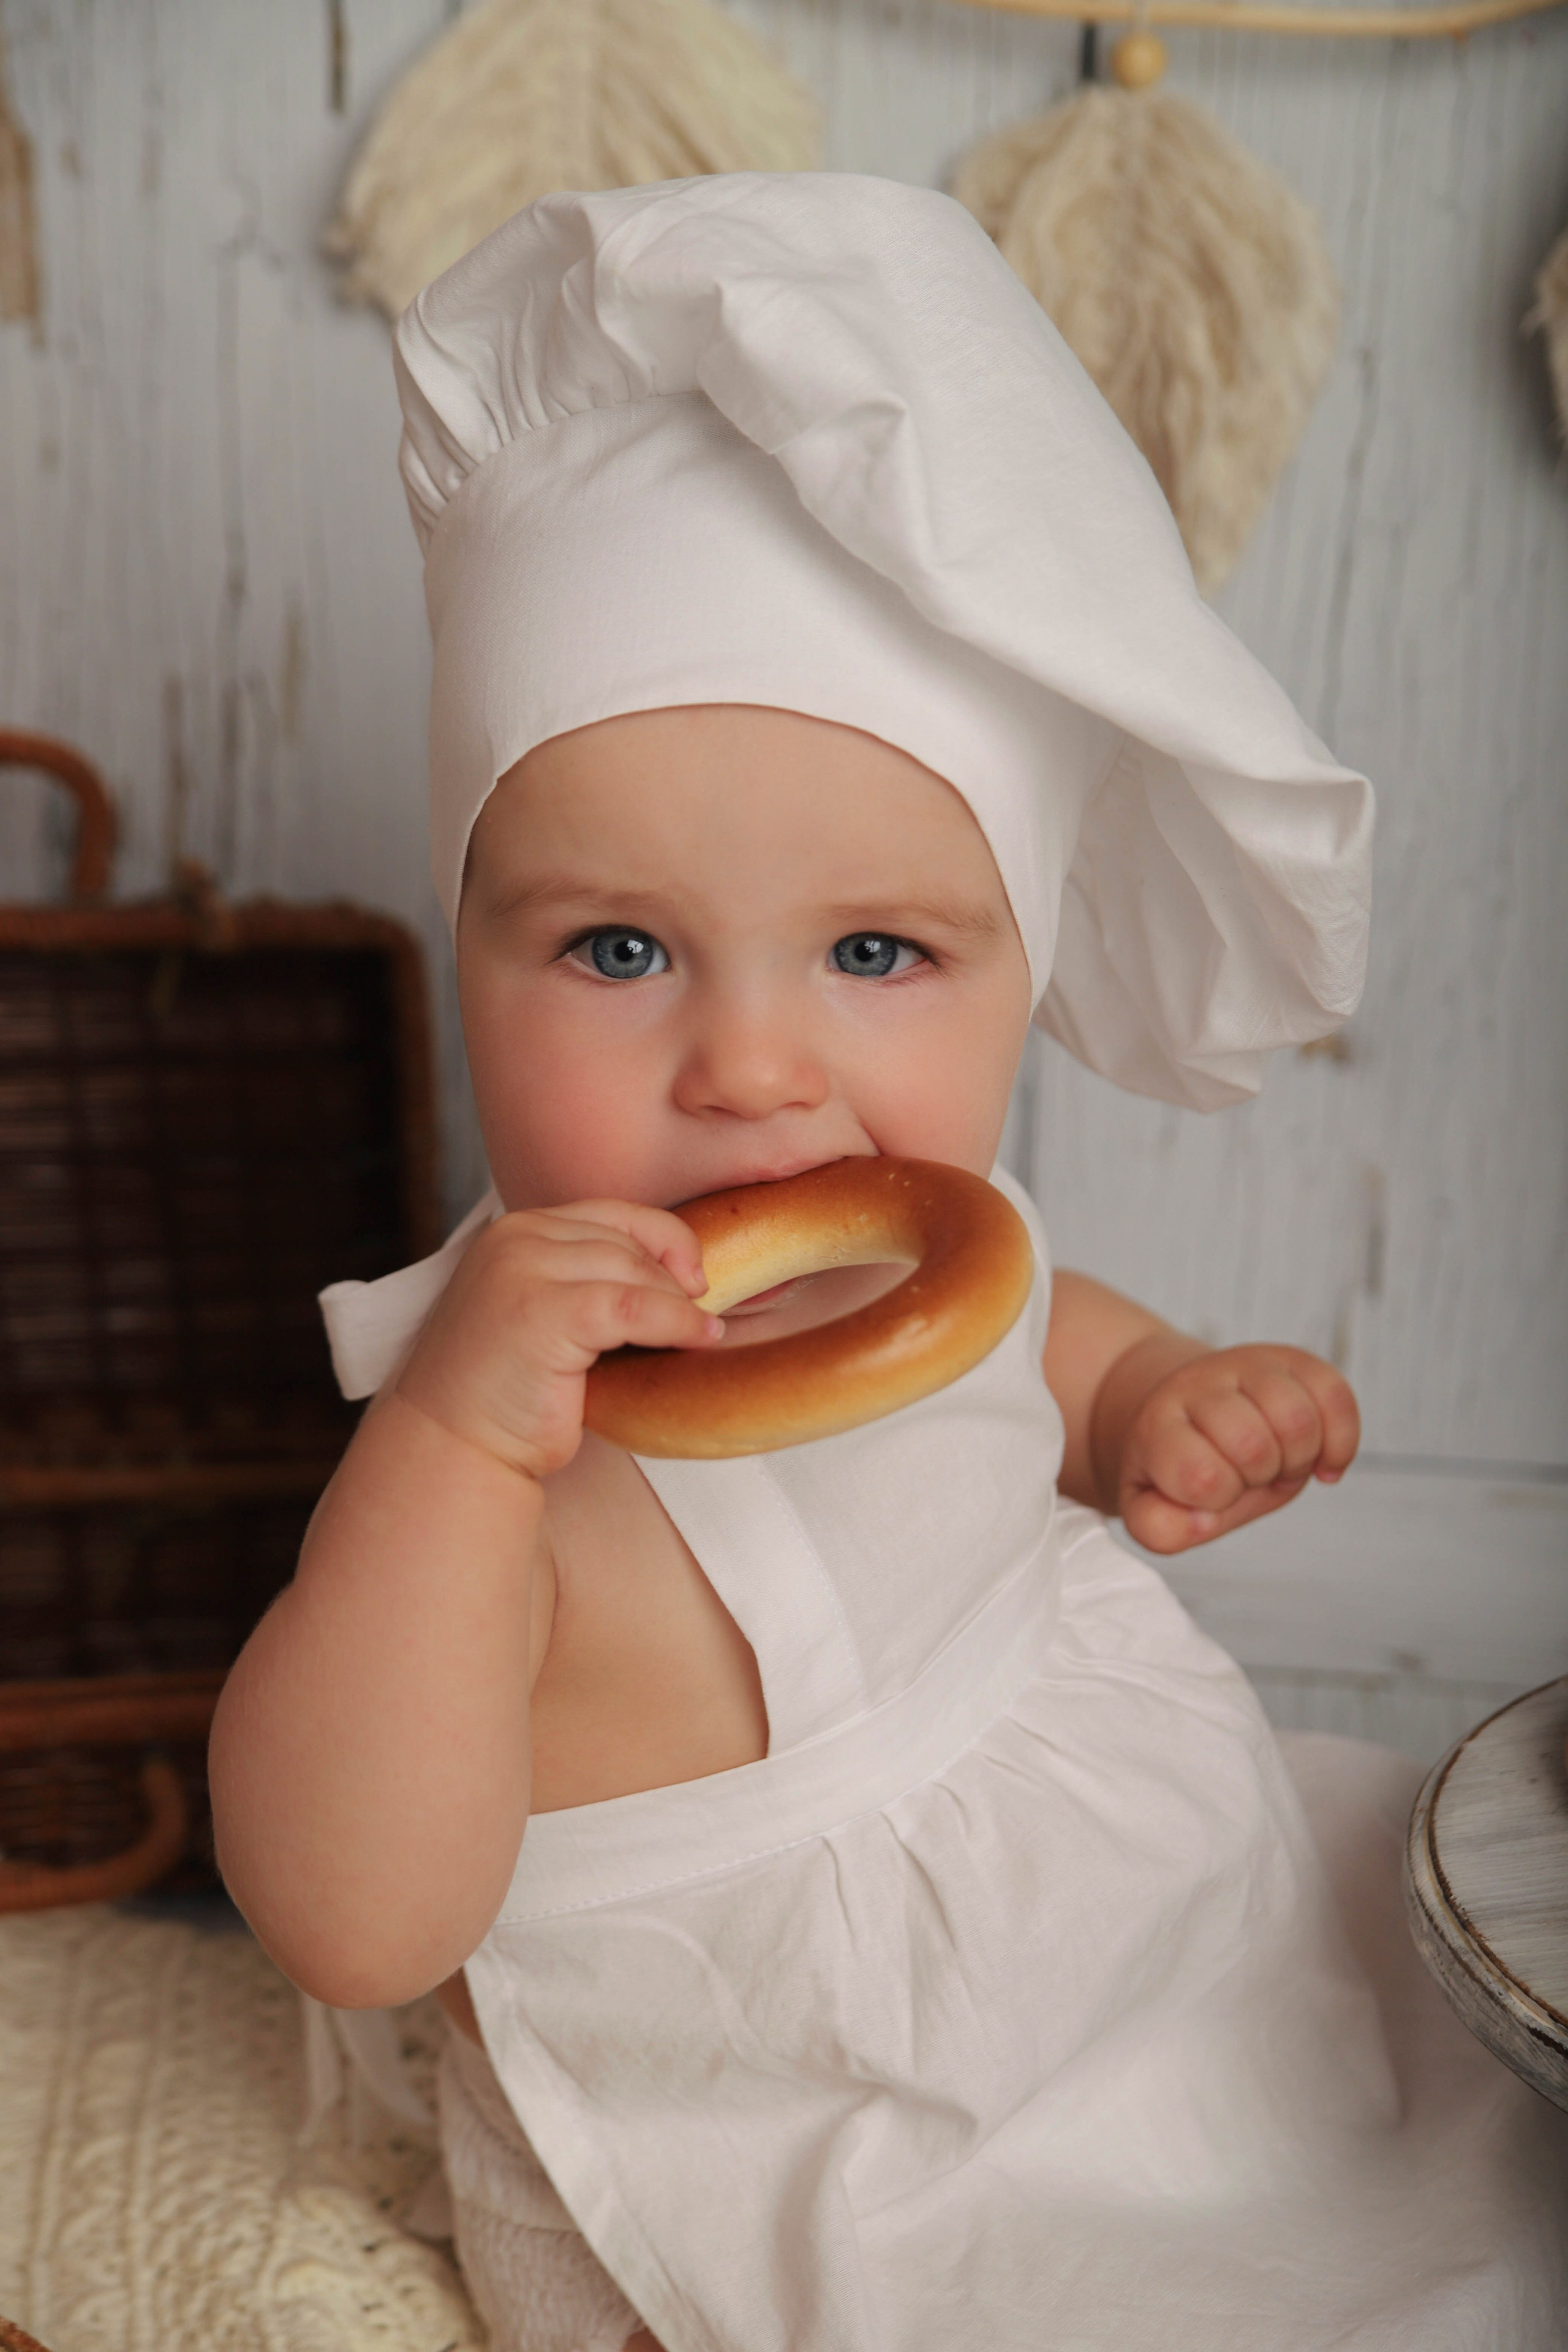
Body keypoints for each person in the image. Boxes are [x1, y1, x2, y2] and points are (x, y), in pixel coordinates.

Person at [208, 175, 1567, 2352]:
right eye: (617, 947)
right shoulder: (495, 1421)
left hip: (1117, 1896)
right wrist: (455, 1449)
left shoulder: (948, 1257)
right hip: (760, 2082)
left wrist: (1148, 1398)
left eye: (874, 952)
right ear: (474, 954)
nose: (752, 1068)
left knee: (1415, 2113)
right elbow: (355, 1913)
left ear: (1020, 967)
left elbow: (1026, 1329)